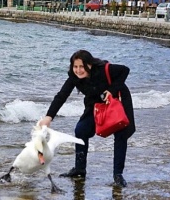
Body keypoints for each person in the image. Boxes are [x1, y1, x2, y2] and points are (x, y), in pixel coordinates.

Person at [38, 49, 135, 187]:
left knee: (121, 134)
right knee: (81, 130)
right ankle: (80, 169)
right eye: (75, 66)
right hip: (95, 105)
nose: (78, 70)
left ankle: (118, 175)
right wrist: (49, 117)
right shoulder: (74, 77)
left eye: (81, 66)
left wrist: (111, 91)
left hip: (117, 102)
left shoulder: (102, 70)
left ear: (89, 65)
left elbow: (125, 70)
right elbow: (61, 96)